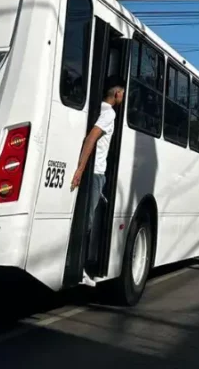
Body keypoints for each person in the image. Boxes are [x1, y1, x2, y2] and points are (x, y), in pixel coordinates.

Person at [70, 75, 126, 286]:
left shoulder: (97, 108)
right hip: (96, 173)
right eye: (123, 94)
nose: (123, 97)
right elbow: (92, 137)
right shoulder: (109, 113)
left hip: (92, 172)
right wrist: (81, 169)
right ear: (117, 94)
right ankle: (80, 269)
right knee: (88, 223)